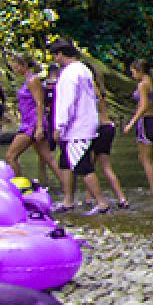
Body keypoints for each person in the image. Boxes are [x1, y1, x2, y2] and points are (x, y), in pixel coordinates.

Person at [49, 39, 110, 214]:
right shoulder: (83, 69)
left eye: (55, 55)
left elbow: (66, 102)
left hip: (77, 128)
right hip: (85, 123)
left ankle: (101, 203)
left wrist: (59, 126)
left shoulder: (69, 74)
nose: (55, 59)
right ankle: (68, 201)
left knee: (83, 166)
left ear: (60, 54)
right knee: (66, 164)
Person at [5, 54, 58, 178]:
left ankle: (20, 187)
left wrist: (39, 127)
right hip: (30, 122)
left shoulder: (33, 80)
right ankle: (66, 189)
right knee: (49, 158)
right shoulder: (28, 80)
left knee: (11, 156)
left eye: (16, 66)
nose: (15, 69)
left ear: (24, 65)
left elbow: (39, 102)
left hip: (32, 123)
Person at [126, 58, 153, 193]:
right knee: (146, 157)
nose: (132, 75)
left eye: (133, 72)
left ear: (140, 71)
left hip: (147, 122)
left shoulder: (142, 84)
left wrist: (131, 123)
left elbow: (143, 106)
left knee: (145, 160)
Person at [93, 91, 129, 209]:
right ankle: (122, 198)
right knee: (106, 168)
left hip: (97, 129)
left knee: (89, 168)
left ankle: (91, 199)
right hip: (108, 127)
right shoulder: (101, 93)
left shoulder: (90, 92)